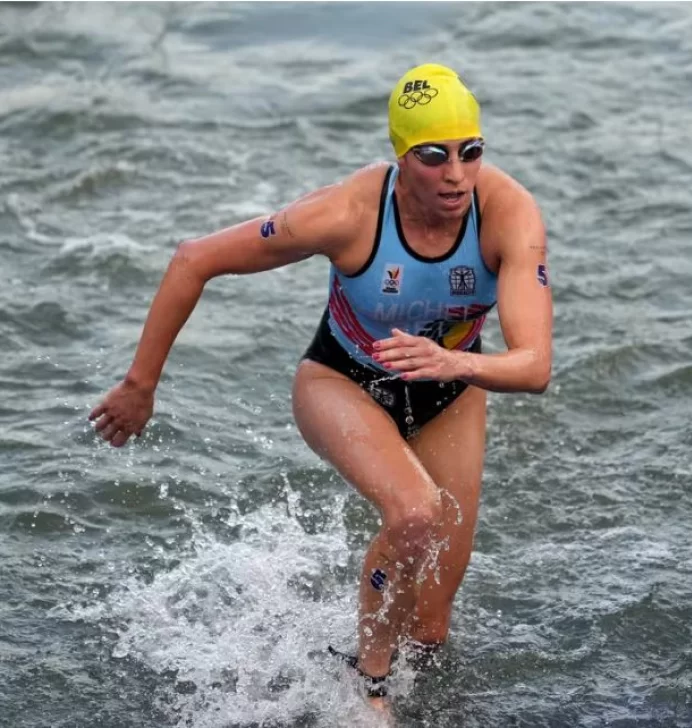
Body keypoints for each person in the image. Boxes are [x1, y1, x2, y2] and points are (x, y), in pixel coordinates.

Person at [89, 63, 552, 700]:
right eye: (433, 155)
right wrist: (140, 385)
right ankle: (369, 687)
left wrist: (457, 365)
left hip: (450, 392)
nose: (455, 174)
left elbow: (535, 366)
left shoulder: (509, 216)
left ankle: (395, 664)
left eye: (471, 152)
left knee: (432, 627)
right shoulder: (345, 214)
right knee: (415, 513)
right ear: (399, 156)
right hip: (343, 381)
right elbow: (194, 258)